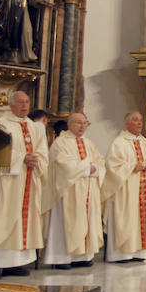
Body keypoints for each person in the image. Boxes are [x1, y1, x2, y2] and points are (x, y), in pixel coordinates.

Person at [0, 91, 48, 279]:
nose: (24, 105)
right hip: (4, 181)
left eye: (27, 101)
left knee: (23, 221)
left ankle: (16, 263)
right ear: (11, 105)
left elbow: (43, 152)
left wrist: (36, 160)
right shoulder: (1, 124)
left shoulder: (34, 127)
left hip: (27, 180)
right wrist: (22, 158)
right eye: (20, 102)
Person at [42, 112, 104, 269]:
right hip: (68, 191)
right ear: (69, 124)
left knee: (86, 222)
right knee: (66, 223)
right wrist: (87, 168)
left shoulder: (89, 143)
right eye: (78, 122)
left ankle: (83, 256)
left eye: (85, 123)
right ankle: (60, 258)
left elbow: (100, 162)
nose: (82, 126)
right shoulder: (60, 143)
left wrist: (94, 168)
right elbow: (64, 165)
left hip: (88, 190)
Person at [101, 112, 146, 263]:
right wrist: (132, 167)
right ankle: (121, 254)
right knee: (125, 219)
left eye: (140, 120)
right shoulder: (118, 143)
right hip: (124, 190)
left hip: (143, 189)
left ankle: (139, 253)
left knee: (140, 219)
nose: (139, 123)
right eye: (135, 120)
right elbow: (111, 165)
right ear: (127, 124)